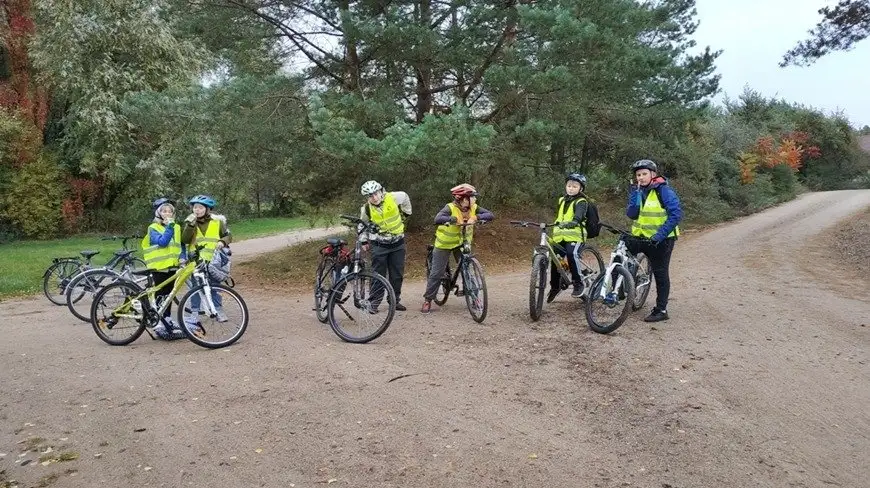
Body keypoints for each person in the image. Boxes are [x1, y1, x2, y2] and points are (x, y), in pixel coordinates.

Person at [421, 184, 494, 314]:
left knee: (467, 270)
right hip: (444, 244)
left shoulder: (474, 208)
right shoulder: (449, 208)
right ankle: (428, 300)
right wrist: (452, 219)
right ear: (463, 199)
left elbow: (490, 215)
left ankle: (474, 298)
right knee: (436, 273)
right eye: (472, 197)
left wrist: (476, 217)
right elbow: (437, 219)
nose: (475, 200)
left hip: (461, 243)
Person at [626, 159, 683, 322]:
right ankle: (622, 288)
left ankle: (661, 310)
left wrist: (659, 236)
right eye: (638, 175)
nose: (641, 178)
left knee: (660, 273)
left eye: (644, 174)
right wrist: (635, 197)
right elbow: (632, 215)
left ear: (653, 174)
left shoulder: (664, 191)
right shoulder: (637, 191)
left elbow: (675, 215)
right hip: (641, 236)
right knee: (621, 252)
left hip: (662, 240)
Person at [358, 180, 412, 312]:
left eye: (376, 194)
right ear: (367, 197)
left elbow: (405, 196)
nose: (374, 198)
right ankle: (375, 302)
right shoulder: (366, 209)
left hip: (398, 243)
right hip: (379, 244)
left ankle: (394, 301)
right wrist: (364, 241)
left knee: (397, 274)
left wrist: (406, 212)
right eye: (370, 196)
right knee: (378, 274)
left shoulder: (393, 197)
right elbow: (362, 224)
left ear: (381, 191)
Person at [181, 195, 232, 329]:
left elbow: (228, 235)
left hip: (213, 261)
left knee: (214, 286)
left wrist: (222, 241)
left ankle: (218, 309)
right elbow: (185, 240)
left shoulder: (217, 222)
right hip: (195, 260)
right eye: (195, 207)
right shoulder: (190, 222)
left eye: (200, 207)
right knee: (195, 288)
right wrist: (190, 225)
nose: (197, 210)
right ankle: (195, 313)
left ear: (207, 209)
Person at [141, 198, 185, 340]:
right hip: (159, 267)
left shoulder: (176, 227)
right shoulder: (153, 228)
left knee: (169, 294)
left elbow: (179, 244)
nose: (167, 213)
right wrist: (169, 227)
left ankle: (167, 318)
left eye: (170, 211)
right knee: (159, 294)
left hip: (172, 266)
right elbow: (162, 242)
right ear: (159, 213)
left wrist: (182, 257)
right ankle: (158, 322)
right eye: (164, 211)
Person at [547, 173, 590, 302]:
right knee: (554, 260)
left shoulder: (581, 201)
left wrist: (575, 221)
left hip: (575, 236)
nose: (571, 188)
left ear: (580, 189)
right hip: (560, 236)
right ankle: (555, 286)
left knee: (571, 254)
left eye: (575, 186)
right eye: (569, 186)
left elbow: (579, 216)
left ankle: (578, 283)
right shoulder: (561, 200)